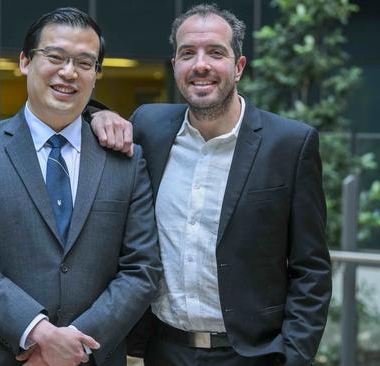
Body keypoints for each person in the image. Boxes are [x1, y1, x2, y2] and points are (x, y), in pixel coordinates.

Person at [91, 4, 332, 366]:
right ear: (174, 66)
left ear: (239, 67)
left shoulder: (290, 144)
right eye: (187, 53)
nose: (200, 64)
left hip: (253, 355)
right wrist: (99, 114)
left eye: (215, 52)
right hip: (162, 350)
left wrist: (293, 356)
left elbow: (310, 268)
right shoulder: (148, 127)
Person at [0, 7, 161, 366]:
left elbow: (142, 269)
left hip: (93, 356)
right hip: (5, 355)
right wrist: (38, 332)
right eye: (55, 57)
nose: (69, 72)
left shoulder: (126, 159)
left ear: (96, 74)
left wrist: (77, 344)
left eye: (84, 63)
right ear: (25, 61)